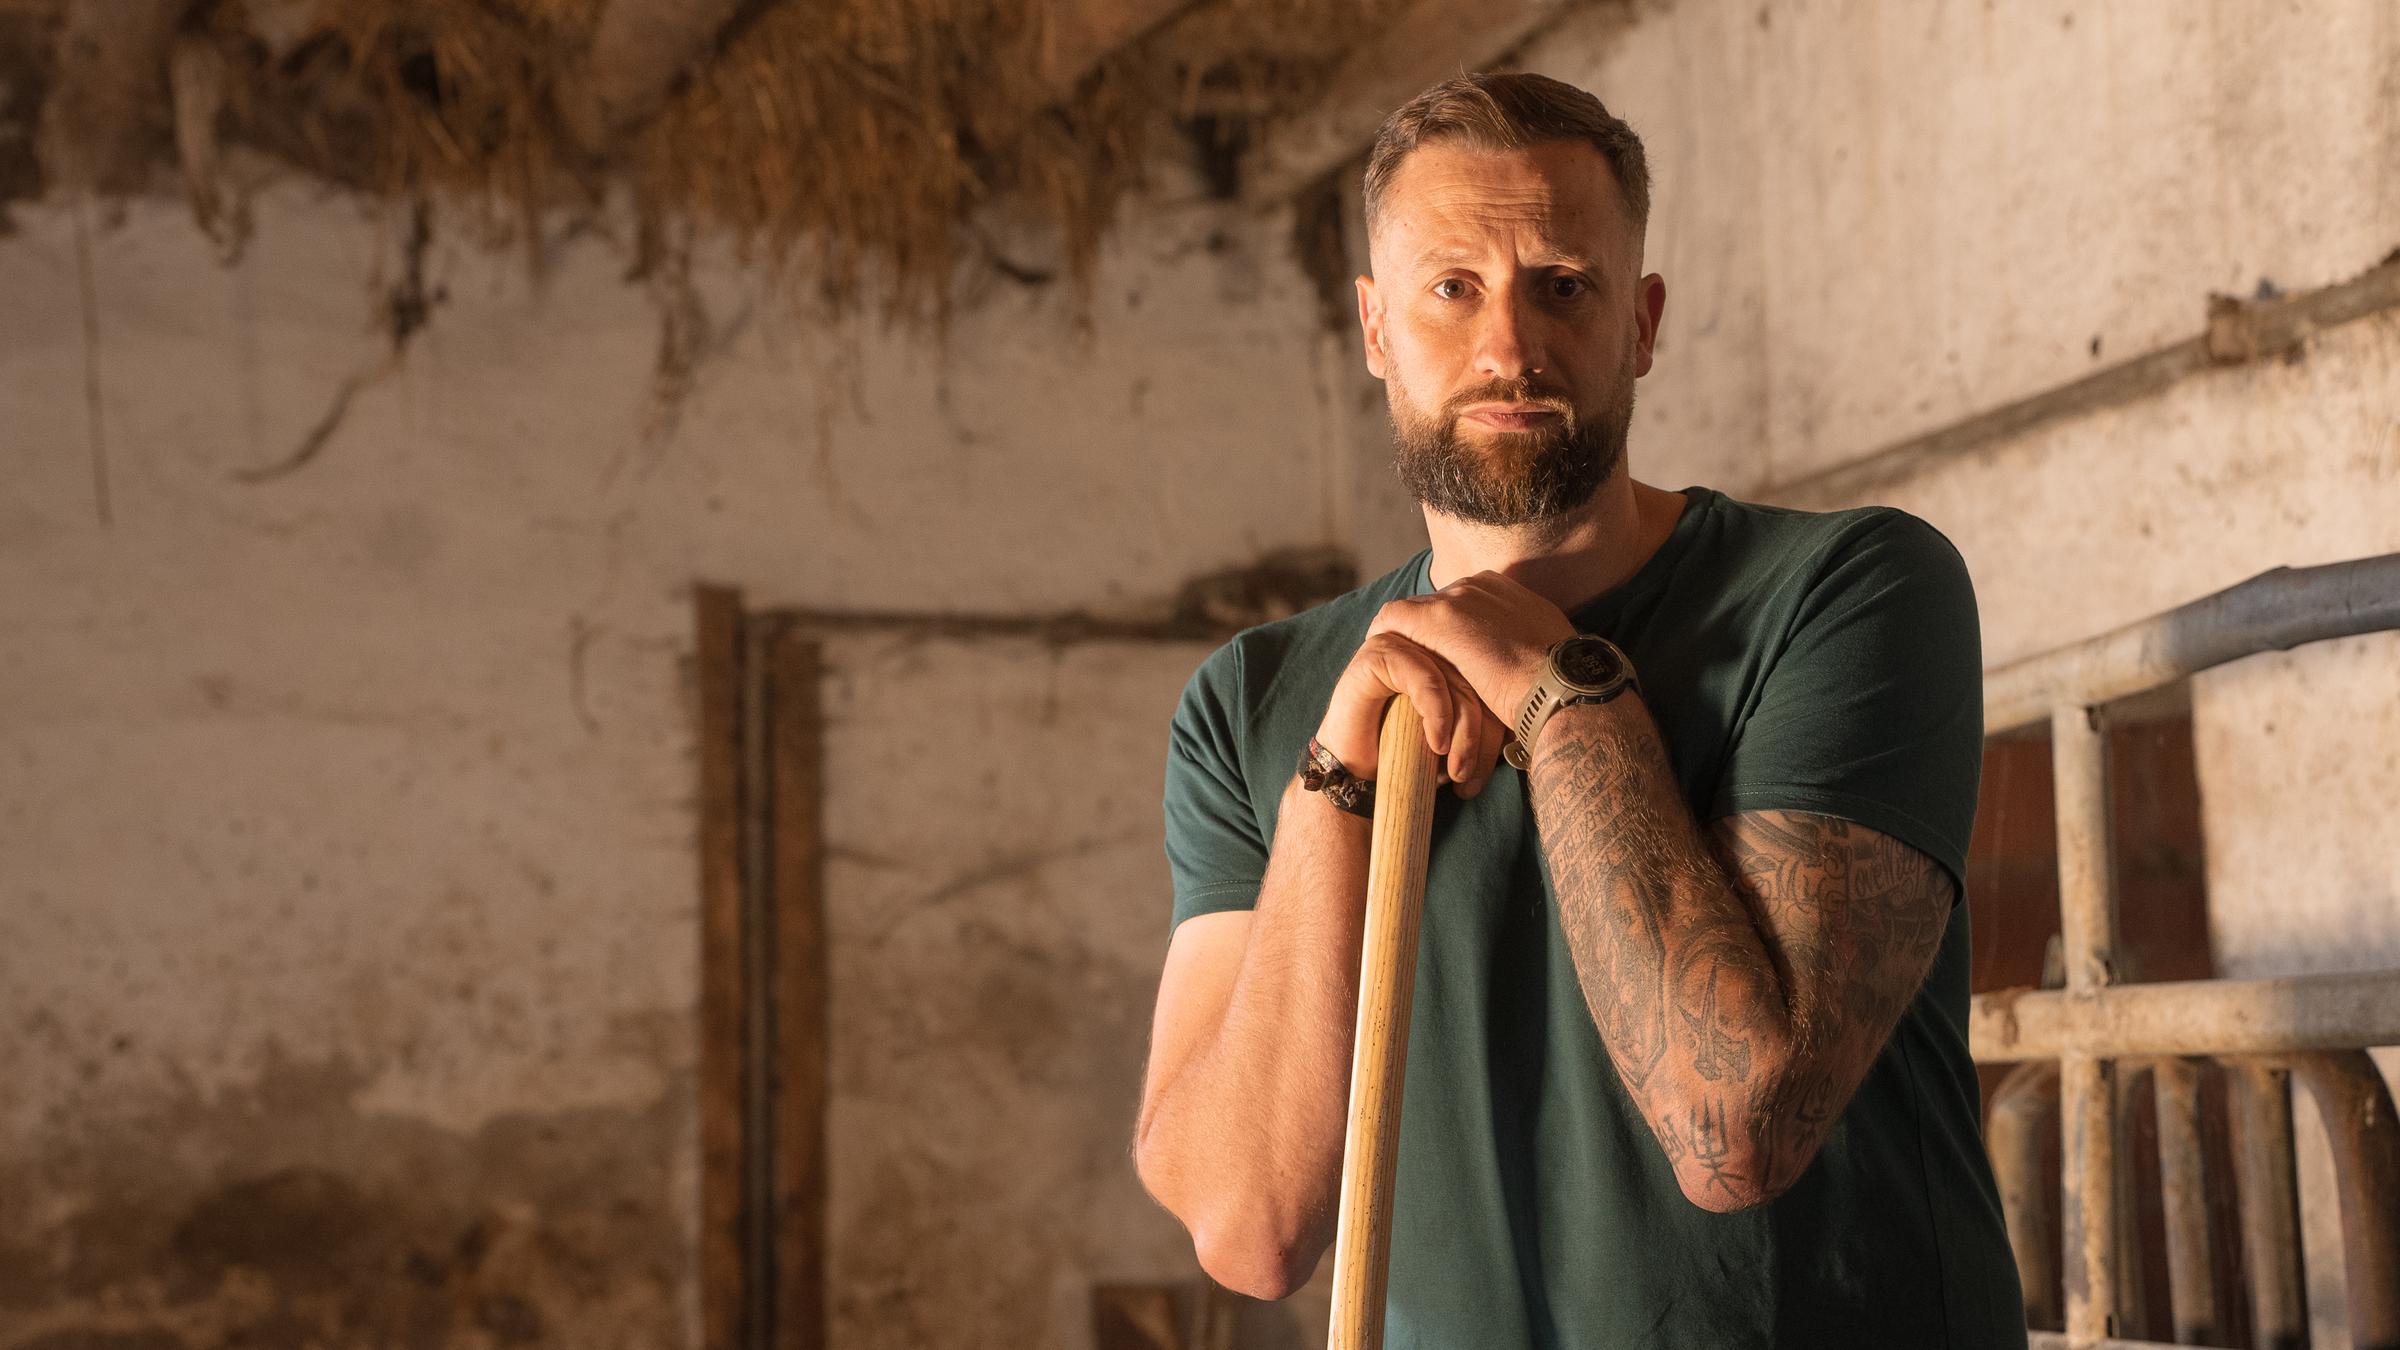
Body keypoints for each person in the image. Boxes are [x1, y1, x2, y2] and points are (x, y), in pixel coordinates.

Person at [1131, 72, 2027, 1348]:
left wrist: (1564, 692)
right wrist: (1336, 776)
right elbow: (1248, 1228)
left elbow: (1735, 1133)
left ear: (1643, 322)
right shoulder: (1255, 701)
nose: (1510, 345)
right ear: (1376, 328)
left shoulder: (1847, 590)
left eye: (1564, 283)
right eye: (1454, 289)